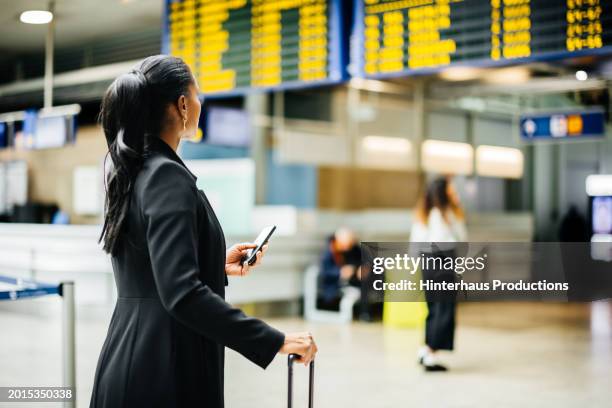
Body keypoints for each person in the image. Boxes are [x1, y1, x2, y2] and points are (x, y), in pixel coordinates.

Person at [90, 55, 317, 408]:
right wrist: (275, 340)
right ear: (182, 105)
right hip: (165, 365)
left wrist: (213, 263)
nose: (200, 103)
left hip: (131, 352)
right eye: (197, 95)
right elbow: (181, 294)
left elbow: (147, 268)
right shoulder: (167, 176)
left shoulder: (134, 170)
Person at [410, 177, 466, 372]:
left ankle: (425, 350)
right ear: (444, 193)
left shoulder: (424, 214)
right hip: (443, 261)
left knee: (434, 307)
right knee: (444, 309)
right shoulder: (446, 215)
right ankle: (432, 354)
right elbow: (460, 238)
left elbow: (415, 244)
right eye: (451, 190)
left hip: (428, 262)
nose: (454, 193)